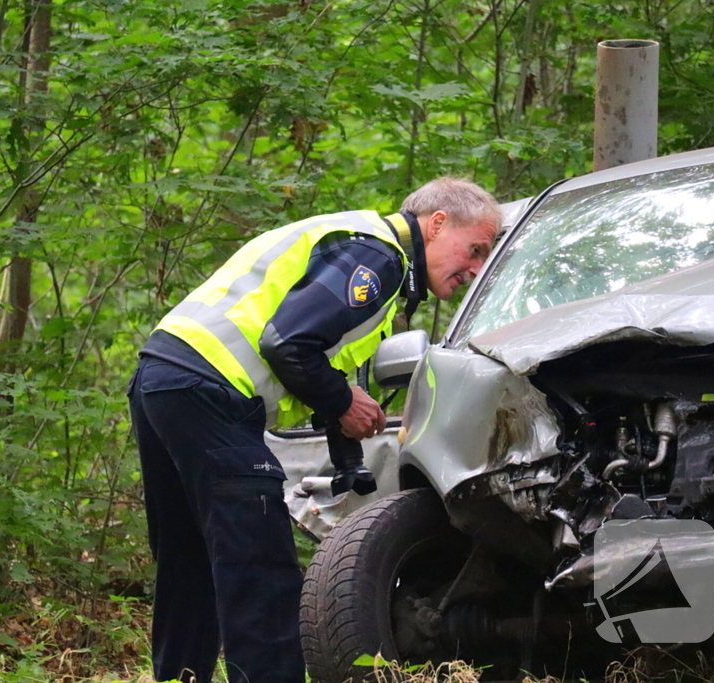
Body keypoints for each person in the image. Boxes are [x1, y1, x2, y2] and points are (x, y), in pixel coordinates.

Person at [127, 177, 501, 683]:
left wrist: (339, 410)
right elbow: (288, 342)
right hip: (210, 389)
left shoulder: (353, 241)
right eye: (475, 249)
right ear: (437, 224)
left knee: (188, 561)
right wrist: (343, 401)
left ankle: (178, 676)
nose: (476, 268)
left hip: (163, 380)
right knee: (260, 568)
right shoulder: (380, 257)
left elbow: (303, 349)